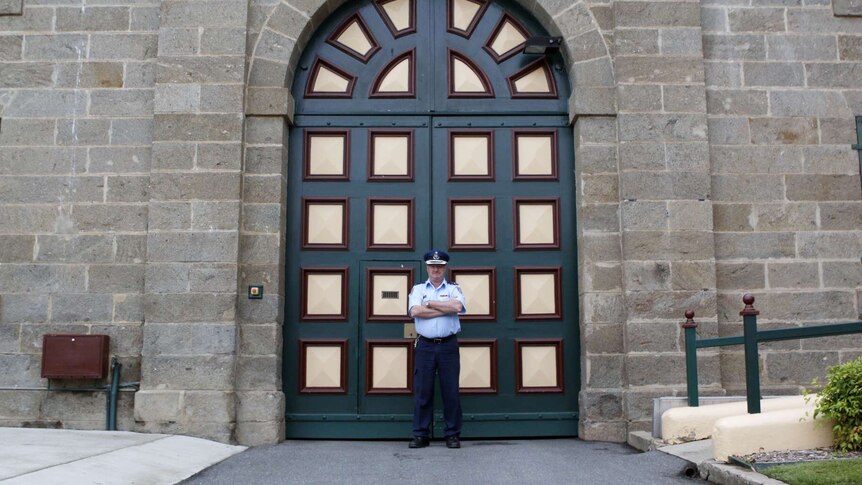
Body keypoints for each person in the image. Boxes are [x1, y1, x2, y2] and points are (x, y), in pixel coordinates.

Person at [406, 249, 467, 449]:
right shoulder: (417, 289)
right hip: (425, 346)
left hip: (448, 345)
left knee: (451, 391)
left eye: (439, 266)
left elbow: (457, 308)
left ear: (445, 268)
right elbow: (415, 311)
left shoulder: (454, 288)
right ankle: (420, 435)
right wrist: (443, 308)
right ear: (427, 267)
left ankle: (452, 435)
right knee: (423, 391)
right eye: (432, 266)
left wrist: (431, 303)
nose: (436, 269)